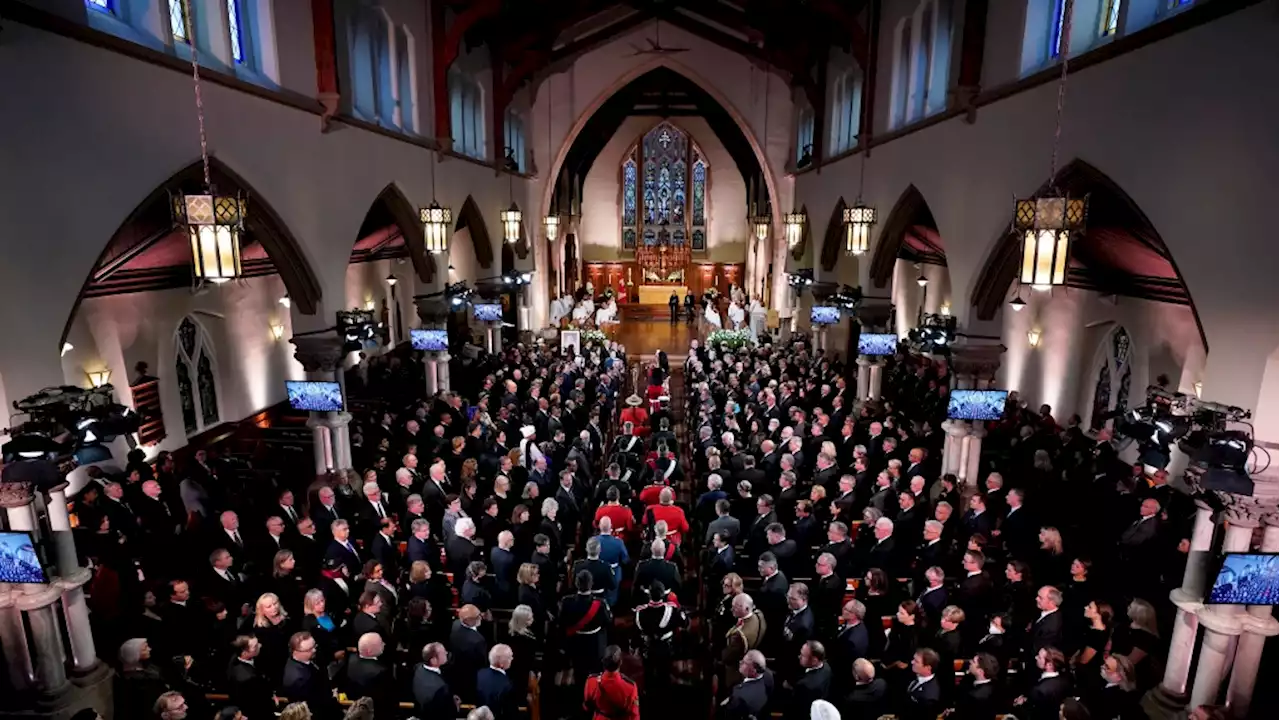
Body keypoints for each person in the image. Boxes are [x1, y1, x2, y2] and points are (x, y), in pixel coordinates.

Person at [584, 645, 639, 720]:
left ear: (603, 661)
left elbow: (587, 707)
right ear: (620, 662)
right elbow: (634, 715)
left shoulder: (591, 681)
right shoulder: (630, 687)